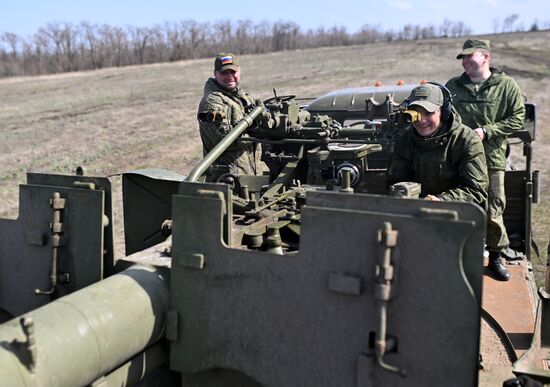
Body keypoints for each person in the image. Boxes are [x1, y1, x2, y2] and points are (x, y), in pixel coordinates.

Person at [446, 39, 525, 281]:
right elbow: (445, 115)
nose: (465, 61)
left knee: (493, 208)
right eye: (463, 58)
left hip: (491, 158)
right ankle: (455, 257)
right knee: (457, 206)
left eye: (470, 56)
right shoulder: (453, 86)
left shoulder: (506, 86)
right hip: (459, 158)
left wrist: (487, 131)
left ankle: (495, 257)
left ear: (486, 57)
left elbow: (518, 118)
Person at [386, 82, 488, 207]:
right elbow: (394, 183)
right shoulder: (405, 140)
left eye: (429, 113)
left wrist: (442, 201)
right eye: (416, 113)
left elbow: (476, 190)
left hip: (456, 214)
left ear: (444, 112)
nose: (421, 120)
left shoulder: (466, 140)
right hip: (414, 212)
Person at [197, 52, 264, 177]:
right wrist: (260, 131)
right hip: (227, 179)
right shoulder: (212, 102)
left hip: (249, 176)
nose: (229, 76)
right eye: (224, 73)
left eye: (233, 72)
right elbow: (227, 141)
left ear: (239, 72)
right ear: (215, 74)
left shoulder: (243, 97)